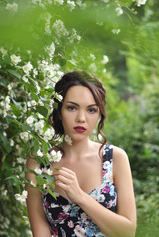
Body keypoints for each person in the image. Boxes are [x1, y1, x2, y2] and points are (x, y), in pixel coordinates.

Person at [25, 70, 136, 237]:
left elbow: (128, 232)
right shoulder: (39, 161)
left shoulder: (115, 158)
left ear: (99, 114)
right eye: (72, 108)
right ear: (59, 111)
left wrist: (80, 197)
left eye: (91, 110)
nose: (81, 118)